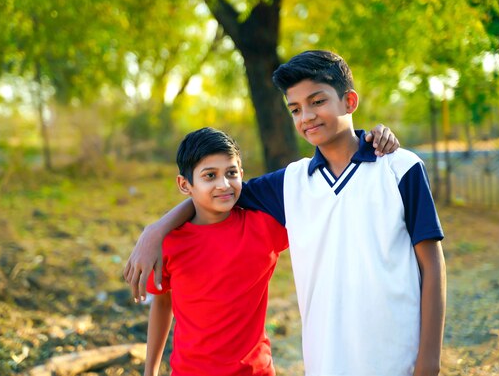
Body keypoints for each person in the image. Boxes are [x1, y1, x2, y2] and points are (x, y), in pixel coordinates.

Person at [126, 51, 445, 376]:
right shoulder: (291, 183)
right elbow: (215, 197)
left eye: (317, 102)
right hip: (325, 361)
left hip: (398, 356)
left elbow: (432, 264)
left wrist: (429, 362)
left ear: (349, 101)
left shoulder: (400, 168)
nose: (306, 116)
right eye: (295, 109)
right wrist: (156, 230)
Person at [143, 127, 289, 376]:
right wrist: (150, 371)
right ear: (184, 184)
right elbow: (162, 303)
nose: (224, 185)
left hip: (254, 372)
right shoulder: (169, 244)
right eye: (210, 176)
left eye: (231, 173)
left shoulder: (263, 226)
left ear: (241, 174)